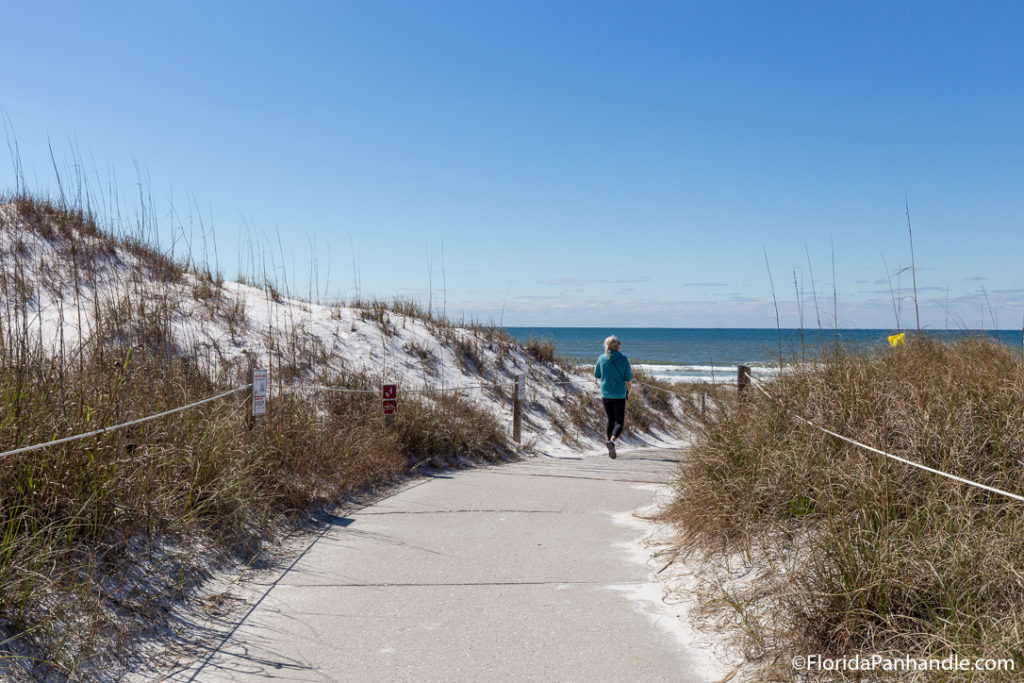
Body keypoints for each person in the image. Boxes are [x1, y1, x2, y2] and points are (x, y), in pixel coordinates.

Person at [593, 335, 632, 458]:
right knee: (619, 422)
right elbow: (628, 378)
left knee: (610, 420)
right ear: (616, 346)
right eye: (619, 344)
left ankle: (611, 446)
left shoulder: (602, 358)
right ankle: (612, 442)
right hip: (619, 394)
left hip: (606, 393)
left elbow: (597, 374)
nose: (620, 346)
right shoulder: (623, 359)